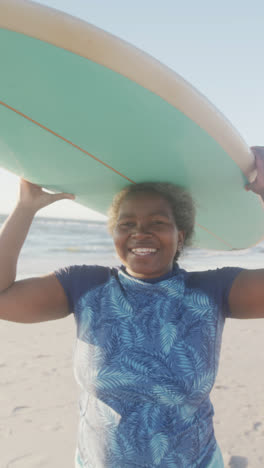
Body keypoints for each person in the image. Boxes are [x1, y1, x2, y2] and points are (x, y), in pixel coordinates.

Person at [1, 147, 264, 468]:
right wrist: (25, 209)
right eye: (127, 223)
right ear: (114, 234)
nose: (140, 231)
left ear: (180, 236)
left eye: (157, 221)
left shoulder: (212, 291)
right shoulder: (85, 285)